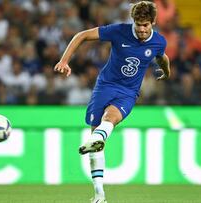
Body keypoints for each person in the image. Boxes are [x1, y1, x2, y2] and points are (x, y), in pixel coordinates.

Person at [54, 1, 170, 203]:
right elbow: (81, 35)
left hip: (128, 92)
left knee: (111, 118)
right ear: (133, 22)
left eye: (146, 25)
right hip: (105, 86)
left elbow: (162, 57)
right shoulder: (118, 31)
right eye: (138, 24)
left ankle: (98, 138)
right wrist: (64, 60)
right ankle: (99, 194)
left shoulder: (159, 41)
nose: (142, 29)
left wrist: (166, 71)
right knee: (96, 139)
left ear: (153, 23)